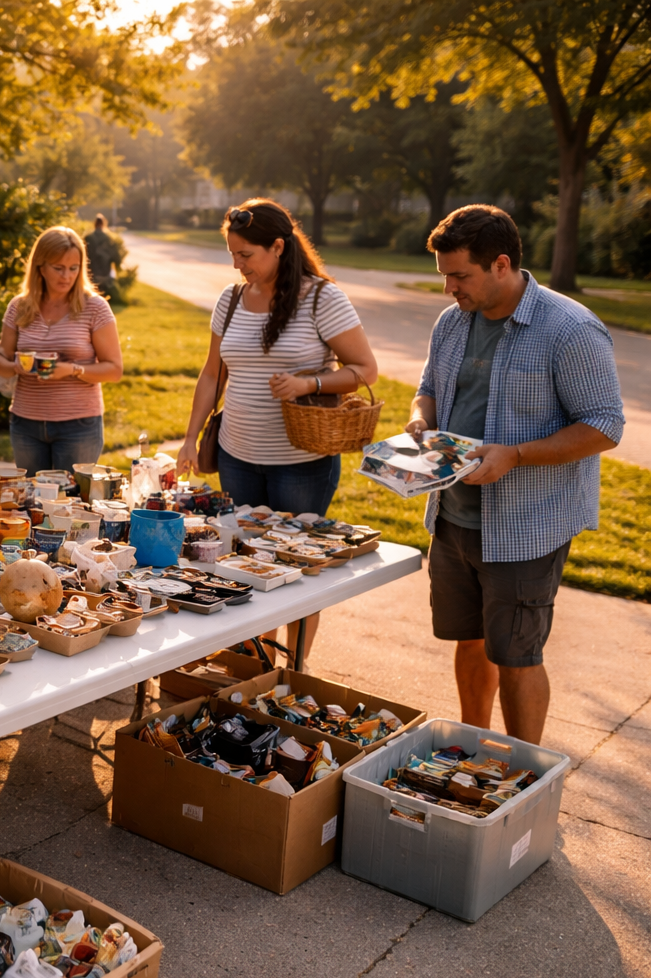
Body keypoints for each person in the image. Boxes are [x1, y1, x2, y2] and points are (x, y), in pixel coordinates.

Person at [409, 205, 622, 744]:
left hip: (525, 527)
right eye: (444, 275)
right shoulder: (453, 320)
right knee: (470, 640)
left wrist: (516, 455)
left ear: (500, 264)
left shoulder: (570, 329)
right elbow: (428, 389)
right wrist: (420, 419)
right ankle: (470, 751)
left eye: (459, 275)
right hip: (453, 518)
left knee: (517, 656)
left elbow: (605, 426)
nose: (449, 288)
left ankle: (522, 775)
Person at [177, 198, 378, 664]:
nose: (237, 264)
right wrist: (190, 438)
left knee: (298, 568)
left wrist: (310, 383)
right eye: (232, 254)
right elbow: (212, 374)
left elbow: (365, 369)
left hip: (300, 463)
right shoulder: (230, 299)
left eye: (246, 254)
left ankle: (295, 668)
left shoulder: (321, 298)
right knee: (248, 563)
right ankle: (257, 665)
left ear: (279, 247)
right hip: (237, 457)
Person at [0, 227, 122, 473]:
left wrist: (72, 370)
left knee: (73, 495)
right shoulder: (19, 307)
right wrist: (15, 367)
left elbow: (114, 370)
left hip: (78, 426)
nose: (67, 276)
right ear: (40, 267)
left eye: (74, 268)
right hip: (26, 424)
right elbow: (0, 361)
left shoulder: (95, 308)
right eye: (58, 268)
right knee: (31, 494)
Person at [84, 213, 120, 299]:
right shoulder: (109, 238)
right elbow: (116, 257)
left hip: (91, 273)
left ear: (95, 224)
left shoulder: (88, 238)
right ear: (103, 223)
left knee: (91, 298)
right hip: (105, 274)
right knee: (103, 298)